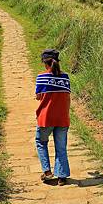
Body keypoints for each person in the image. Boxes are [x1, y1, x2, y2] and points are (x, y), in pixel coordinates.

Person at [35, 49, 71, 186]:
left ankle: (47, 171)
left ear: (45, 63)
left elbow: (38, 97)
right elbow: (67, 97)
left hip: (46, 118)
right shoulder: (65, 77)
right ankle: (62, 176)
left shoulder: (41, 78)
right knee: (61, 147)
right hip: (62, 118)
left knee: (41, 142)